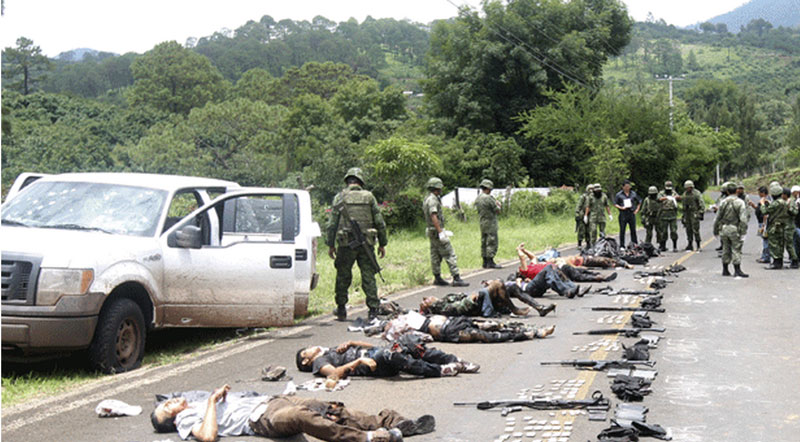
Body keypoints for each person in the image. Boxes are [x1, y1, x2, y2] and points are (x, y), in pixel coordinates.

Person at [151, 384, 435, 442]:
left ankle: (395, 422)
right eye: (167, 407)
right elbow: (208, 436)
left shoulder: (193, 400)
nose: (171, 402)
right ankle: (370, 438)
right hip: (262, 419)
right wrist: (213, 401)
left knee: (329, 408)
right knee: (300, 417)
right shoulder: (185, 420)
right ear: (171, 419)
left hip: (272, 400)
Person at [327, 167, 388, 321]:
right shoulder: (369, 197)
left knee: (343, 275)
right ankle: (373, 309)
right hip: (366, 244)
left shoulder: (340, 197)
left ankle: (341, 308)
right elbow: (380, 222)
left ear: (347, 181)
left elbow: (332, 224)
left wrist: (330, 244)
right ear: (361, 182)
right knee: (368, 275)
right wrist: (382, 243)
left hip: (346, 244)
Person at [296, 341, 477, 382]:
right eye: (306, 350)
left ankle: (456, 361)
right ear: (306, 361)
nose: (311, 347)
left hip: (375, 352)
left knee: (409, 345)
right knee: (390, 355)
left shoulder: (330, 350)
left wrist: (352, 343)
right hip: (374, 364)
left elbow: (372, 346)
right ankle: (440, 370)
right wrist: (359, 361)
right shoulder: (318, 362)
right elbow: (334, 374)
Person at [381, 310, 555, 344]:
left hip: (455, 321)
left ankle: (532, 329)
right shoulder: (396, 332)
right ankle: (532, 334)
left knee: (494, 325)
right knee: (486, 336)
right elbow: (422, 338)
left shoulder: (410, 315)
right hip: (449, 331)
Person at [418, 279, 555, 317]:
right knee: (497, 284)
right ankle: (515, 310)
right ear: (430, 307)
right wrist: (470, 299)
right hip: (478, 305)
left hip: (480, 297)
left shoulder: (443, 300)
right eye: (425, 301)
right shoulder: (441, 308)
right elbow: (459, 308)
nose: (426, 298)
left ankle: (539, 307)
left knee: (512, 286)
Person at [423, 177, 468, 287]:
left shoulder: (428, 198)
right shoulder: (433, 200)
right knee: (449, 253)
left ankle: (437, 277)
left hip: (431, 231)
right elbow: (433, 215)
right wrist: (440, 232)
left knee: (435, 254)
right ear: (437, 188)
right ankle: (456, 277)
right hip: (436, 231)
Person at [515, 244, 588, 298]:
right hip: (535, 287)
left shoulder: (532, 266)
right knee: (549, 267)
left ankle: (576, 289)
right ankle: (565, 291)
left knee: (558, 272)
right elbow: (522, 258)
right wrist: (518, 250)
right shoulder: (525, 271)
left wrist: (524, 250)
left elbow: (533, 257)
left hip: (544, 281)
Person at [713, 182, 749, 278]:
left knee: (725, 248)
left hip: (724, 228)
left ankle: (725, 269)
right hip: (734, 228)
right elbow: (743, 219)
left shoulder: (723, 202)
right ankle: (737, 270)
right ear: (736, 190)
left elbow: (717, 218)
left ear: (727, 191)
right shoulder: (740, 202)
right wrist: (743, 232)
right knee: (736, 249)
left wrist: (715, 230)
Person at [760, 183, 798, 269]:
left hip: (775, 226)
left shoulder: (777, 203)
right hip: (782, 226)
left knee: (774, 244)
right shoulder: (784, 202)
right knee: (780, 245)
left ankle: (777, 262)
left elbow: (765, 211)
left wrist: (762, 204)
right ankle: (779, 262)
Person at [475, 179, 502, 269]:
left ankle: (485, 261)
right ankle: (490, 261)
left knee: (484, 241)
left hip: (482, 222)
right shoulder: (489, 198)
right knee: (492, 241)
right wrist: (499, 205)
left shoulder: (478, 198)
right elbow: (497, 210)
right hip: (490, 222)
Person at [614, 180, 641, 248]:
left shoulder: (633, 194)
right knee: (622, 230)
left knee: (633, 230)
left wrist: (637, 210)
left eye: (628, 186)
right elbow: (615, 204)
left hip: (631, 213)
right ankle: (622, 245)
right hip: (623, 213)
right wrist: (621, 207)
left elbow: (639, 201)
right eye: (626, 186)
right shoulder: (619, 194)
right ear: (623, 187)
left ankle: (634, 244)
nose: (627, 188)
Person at [750, 186, 771, 263]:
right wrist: (753, 206)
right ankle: (765, 256)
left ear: (763, 193)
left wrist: (763, 225)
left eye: (759, 193)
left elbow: (766, 214)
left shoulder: (766, 201)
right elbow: (760, 209)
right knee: (764, 239)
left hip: (764, 223)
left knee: (766, 240)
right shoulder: (762, 200)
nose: (758, 194)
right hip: (761, 222)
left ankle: (766, 257)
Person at [657, 181, 680, 252]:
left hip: (672, 214)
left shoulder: (674, 193)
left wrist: (674, 197)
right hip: (664, 214)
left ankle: (675, 246)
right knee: (663, 231)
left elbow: (679, 197)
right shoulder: (661, 193)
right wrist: (666, 198)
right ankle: (663, 246)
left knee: (673, 231)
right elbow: (658, 199)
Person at [575, 184, 592, 248]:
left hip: (590, 215)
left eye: (592, 189)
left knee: (588, 230)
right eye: (590, 189)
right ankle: (579, 243)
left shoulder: (593, 197)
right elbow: (579, 205)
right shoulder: (584, 197)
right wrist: (577, 213)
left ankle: (588, 243)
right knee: (581, 230)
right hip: (582, 215)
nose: (591, 190)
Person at [792, 186, 800, 259]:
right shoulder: (796, 200)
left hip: (797, 223)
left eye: (793, 193)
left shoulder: (798, 201)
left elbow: (795, 211)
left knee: (796, 241)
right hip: (796, 223)